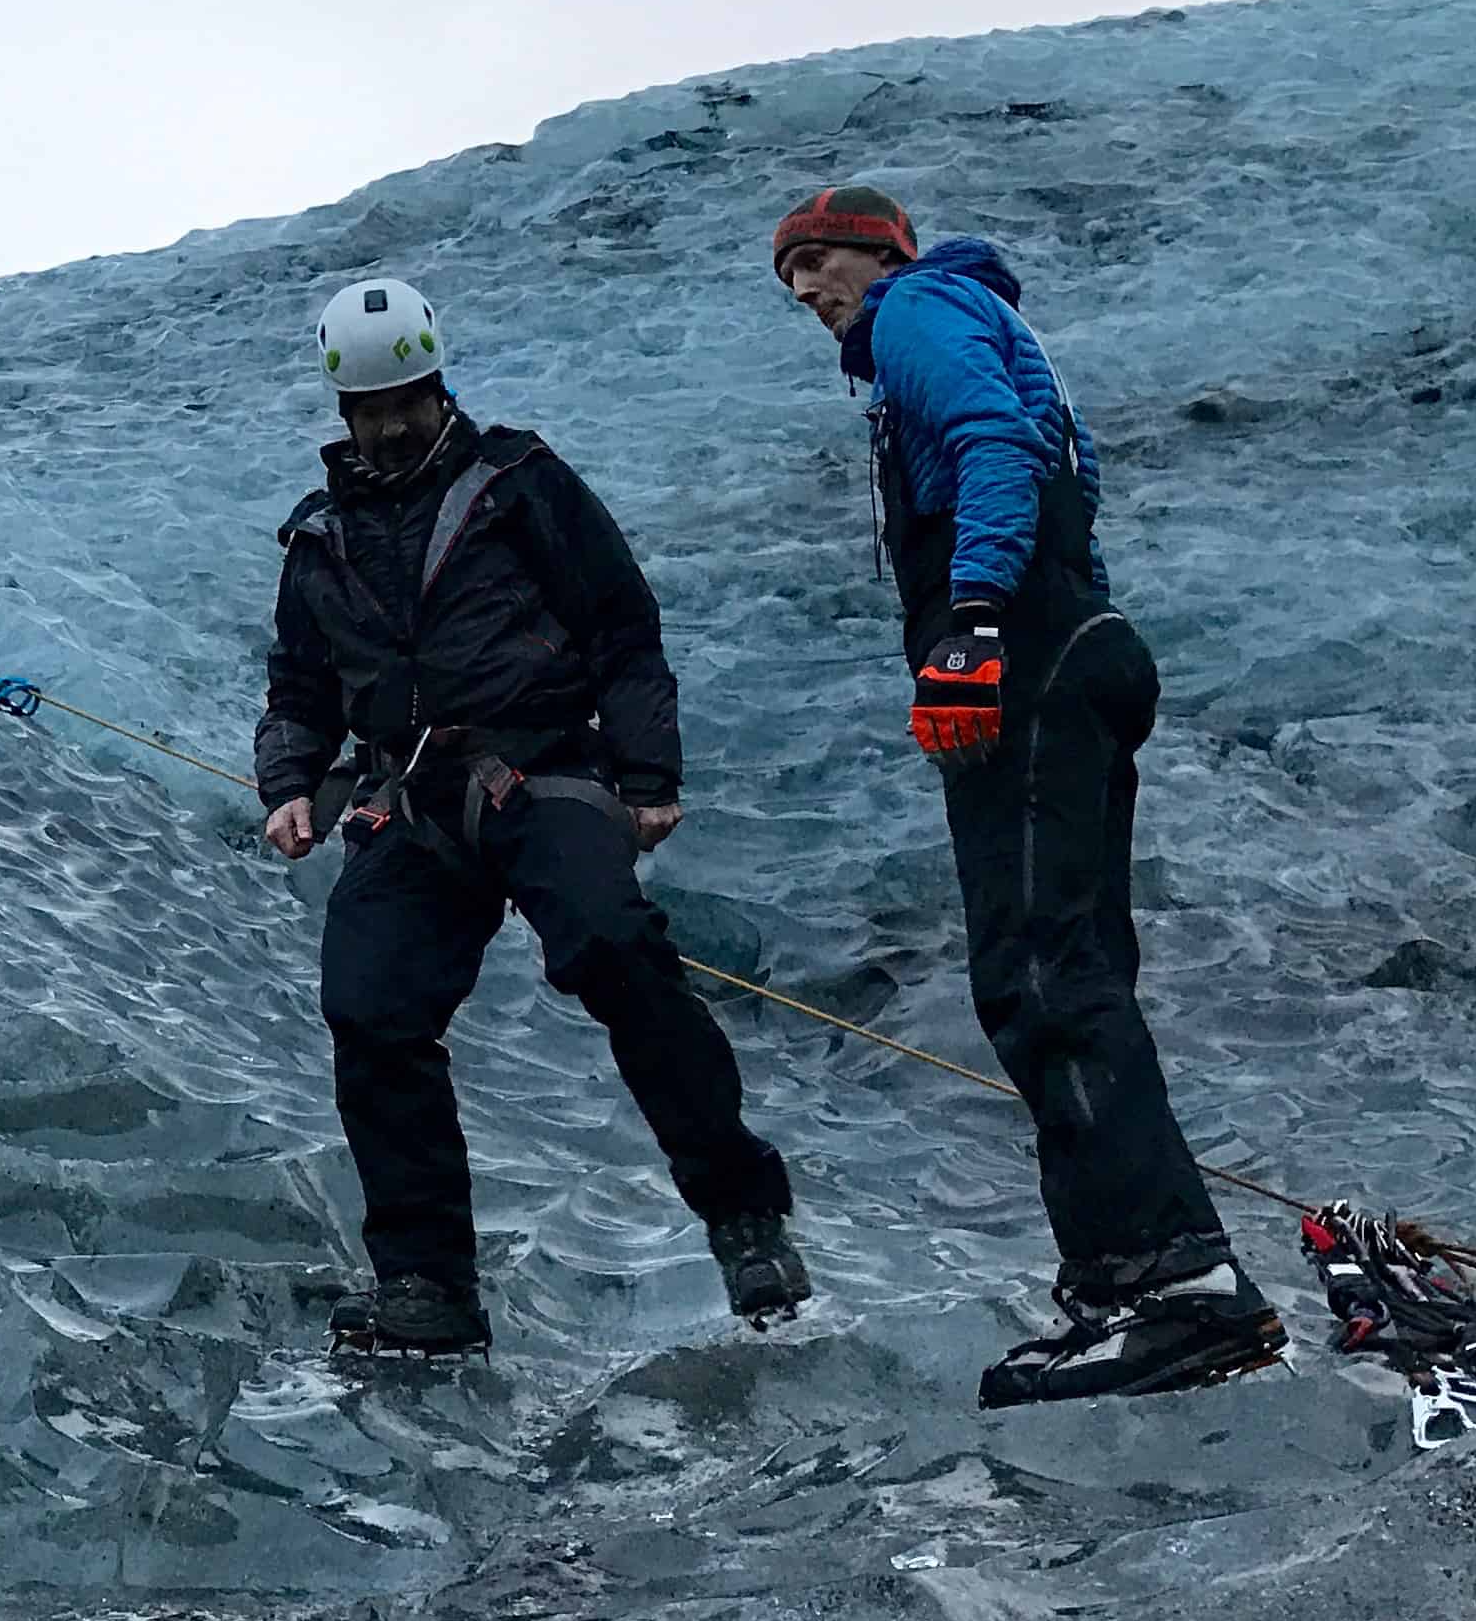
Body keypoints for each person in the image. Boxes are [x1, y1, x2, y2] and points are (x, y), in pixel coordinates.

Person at [770, 185, 1281, 1405]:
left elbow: (997, 447)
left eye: (816, 262)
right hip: (1076, 644)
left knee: (1041, 971)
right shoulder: (978, 319)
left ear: (876, 251)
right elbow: (1069, 479)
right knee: (1069, 964)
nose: (805, 291)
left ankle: (1172, 1285)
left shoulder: (917, 310)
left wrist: (976, 628)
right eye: (789, 277)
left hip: (1029, 652)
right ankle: (1122, 1282)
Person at [256, 278, 808, 1363]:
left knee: (615, 952)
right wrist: (289, 782)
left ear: (438, 381)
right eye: (375, 407)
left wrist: (649, 776)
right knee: (369, 1009)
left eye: (411, 397)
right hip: (409, 803)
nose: (396, 420)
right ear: (344, 412)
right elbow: (298, 683)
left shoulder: (521, 483)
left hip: (545, 773)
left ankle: (745, 1220)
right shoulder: (319, 537)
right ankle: (426, 1287)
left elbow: (624, 627)